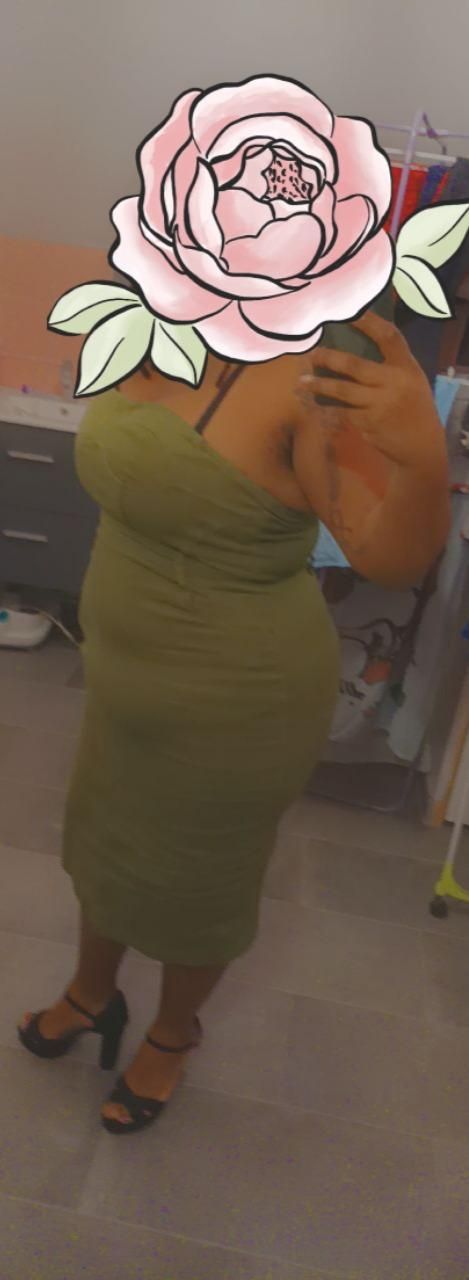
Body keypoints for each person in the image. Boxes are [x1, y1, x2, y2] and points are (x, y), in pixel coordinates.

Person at [17, 303, 450, 1135]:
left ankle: (173, 1034)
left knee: (198, 883)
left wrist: (421, 458)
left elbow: (389, 558)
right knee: (105, 845)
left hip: (237, 702)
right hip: (121, 682)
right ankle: (91, 994)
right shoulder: (162, 313)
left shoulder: (319, 364)